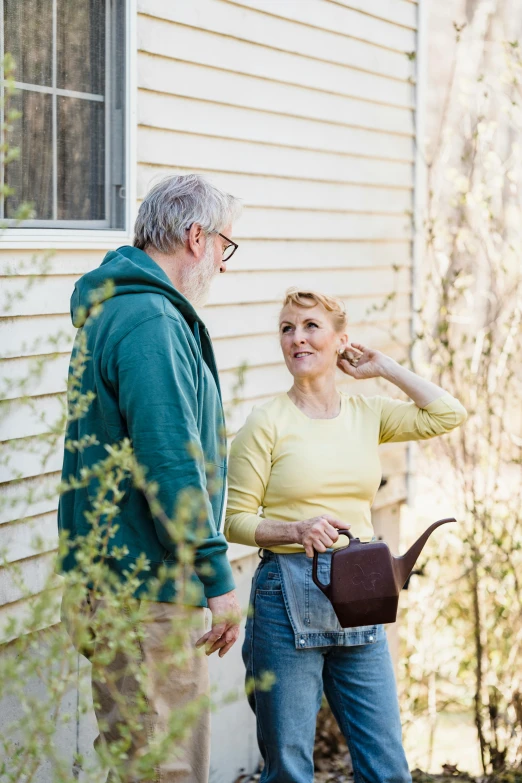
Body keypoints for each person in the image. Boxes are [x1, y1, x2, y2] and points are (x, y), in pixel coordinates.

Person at [225, 288, 467, 783]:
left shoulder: (368, 413)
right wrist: (294, 528)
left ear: (341, 340)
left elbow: (447, 413)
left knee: (387, 769)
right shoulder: (265, 423)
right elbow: (235, 520)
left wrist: (385, 368)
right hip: (284, 595)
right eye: (287, 328)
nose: (298, 338)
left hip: (361, 594)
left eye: (312, 326)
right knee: (290, 770)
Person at [58, 174, 242, 783]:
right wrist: (216, 576)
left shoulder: (118, 308)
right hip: (148, 590)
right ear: (196, 237)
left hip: (116, 580)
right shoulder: (150, 321)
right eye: (225, 246)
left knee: (138, 761)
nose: (223, 263)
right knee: (167, 769)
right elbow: (168, 460)